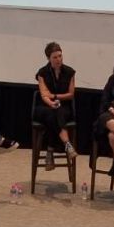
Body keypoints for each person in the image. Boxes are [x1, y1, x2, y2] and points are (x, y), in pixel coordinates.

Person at [34, 41, 77, 170]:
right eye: (55, 57)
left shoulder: (70, 72)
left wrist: (55, 97)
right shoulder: (42, 72)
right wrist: (51, 102)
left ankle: (49, 151)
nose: (58, 59)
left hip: (64, 107)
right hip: (44, 107)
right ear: (48, 58)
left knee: (56, 114)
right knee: (51, 113)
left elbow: (70, 94)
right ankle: (67, 144)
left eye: (60, 56)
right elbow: (44, 95)